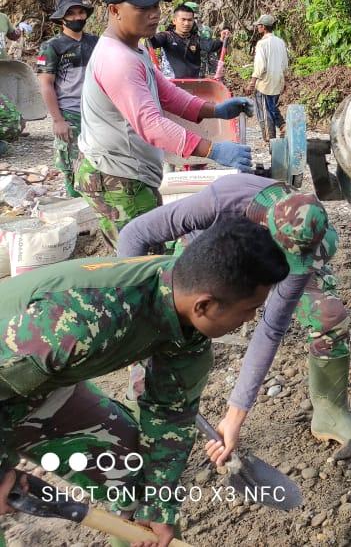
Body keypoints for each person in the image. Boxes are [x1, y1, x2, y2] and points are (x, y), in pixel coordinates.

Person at [0, 218, 289, 547]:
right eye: (250, 309)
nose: (250, 319)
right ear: (205, 305)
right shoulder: (79, 321)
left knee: (136, 483)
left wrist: (159, 506)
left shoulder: (187, 322)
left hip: (36, 384)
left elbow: (171, 415)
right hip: (13, 369)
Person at [117, 175, 351, 457]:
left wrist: (234, 418)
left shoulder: (304, 240)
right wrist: (131, 319)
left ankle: (331, 414)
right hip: (210, 260)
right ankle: (140, 423)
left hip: (269, 259)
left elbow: (271, 328)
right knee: (177, 328)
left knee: (328, 315)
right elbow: (134, 235)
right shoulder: (224, 199)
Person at [75, 0, 253, 246]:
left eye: (156, 6)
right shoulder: (117, 60)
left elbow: (168, 95)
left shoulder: (135, 51)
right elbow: (151, 124)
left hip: (130, 173)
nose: (154, 14)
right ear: (114, 11)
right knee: (145, 264)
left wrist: (215, 110)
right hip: (117, 178)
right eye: (142, 8)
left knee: (152, 255)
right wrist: (214, 151)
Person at [36, 0, 98, 197]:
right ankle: (76, 209)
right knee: (71, 165)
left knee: (99, 161)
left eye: (81, 12)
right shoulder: (51, 47)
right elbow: (46, 84)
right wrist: (57, 120)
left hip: (97, 111)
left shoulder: (97, 43)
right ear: (62, 18)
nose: (77, 17)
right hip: (70, 113)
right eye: (71, 14)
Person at [149, 2, 228, 80]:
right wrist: (148, 32)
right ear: (174, 21)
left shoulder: (196, 38)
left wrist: (221, 39)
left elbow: (210, 46)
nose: (186, 23)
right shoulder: (166, 36)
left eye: (190, 20)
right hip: (171, 83)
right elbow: (153, 42)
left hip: (193, 83)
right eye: (183, 20)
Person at [252, 13, 289, 141]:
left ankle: (270, 138)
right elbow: (285, 64)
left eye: (259, 26)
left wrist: (252, 82)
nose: (257, 28)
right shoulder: (280, 42)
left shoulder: (262, 44)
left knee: (264, 110)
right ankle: (282, 126)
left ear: (263, 27)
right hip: (278, 80)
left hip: (264, 82)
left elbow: (260, 66)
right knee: (272, 106)